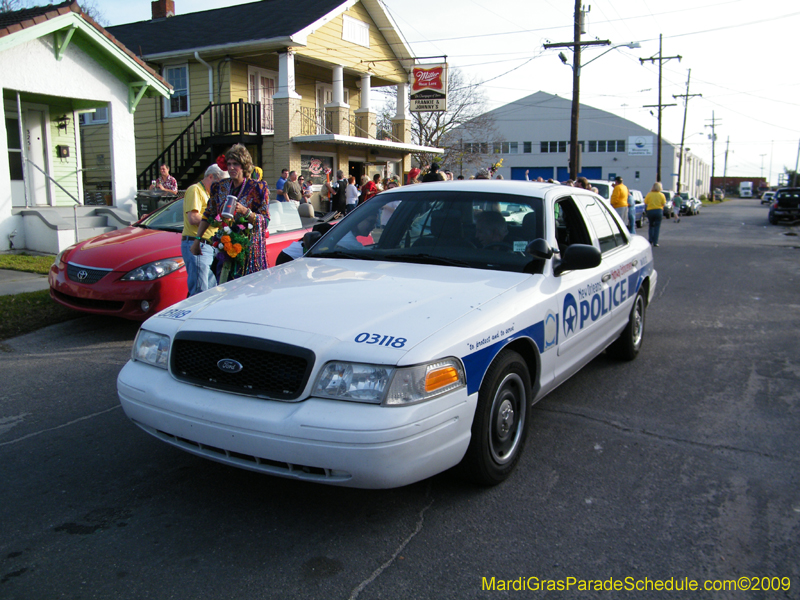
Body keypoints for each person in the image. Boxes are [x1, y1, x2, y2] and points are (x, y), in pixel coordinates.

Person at [192, 144, 270, 281]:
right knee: (223, 287)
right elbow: (208, 214)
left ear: (244, 166)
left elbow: (265, 221)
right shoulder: (221, 186)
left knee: (246, 290)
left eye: (236, 164)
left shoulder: (257, 188)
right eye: (229, 164)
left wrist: (246, 212)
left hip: (248, 252)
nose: (232, 168)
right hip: (225, 246)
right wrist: (197, 240)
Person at [181, 164, 228, 296]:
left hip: (208, 245)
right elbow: (193, 218)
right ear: (211, 177)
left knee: (210, 291)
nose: (220, 187)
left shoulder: (209, 194)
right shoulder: (195, 190)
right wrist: (215, 219)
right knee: (200, 292)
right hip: (198, 244)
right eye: (219, 183)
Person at [644, 182, 666, 247]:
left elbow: (645, 202)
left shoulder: (649, 194)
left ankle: (650, 240)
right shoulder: (661, 195)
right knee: (657, 227)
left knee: (651, 226)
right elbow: (663, 204)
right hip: (658, 210)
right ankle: (655, 242)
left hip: (650, 211)